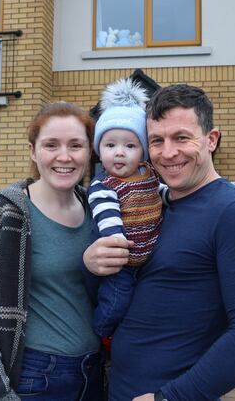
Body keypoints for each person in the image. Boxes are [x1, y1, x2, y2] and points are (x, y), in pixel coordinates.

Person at [83, 84, 235, 401]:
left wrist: (169, 398)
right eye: (157, 141)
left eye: (182, 138)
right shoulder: (149, 205)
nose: (168, 152)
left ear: (211, 140)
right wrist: (91, 264)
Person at [0, 102, 103, 401]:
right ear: (33, 151)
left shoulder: (97, 209)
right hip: (33, 378)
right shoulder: (2, 213)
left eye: (76, 145)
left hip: (94, 376)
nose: (65, 156)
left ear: (89, 152)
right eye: (51, 145)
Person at [88, 78, 168, 340]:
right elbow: (106, 214)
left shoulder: (148, 173)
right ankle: (100, 336)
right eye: (110, 145)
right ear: (99, 151)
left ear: (143, 152)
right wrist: (116, 238)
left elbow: (160, 192)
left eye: (130, 145)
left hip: (149, 261)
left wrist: (173, 197)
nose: (119, 153)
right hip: (120, 264)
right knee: (115, 304)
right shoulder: (104, 185)